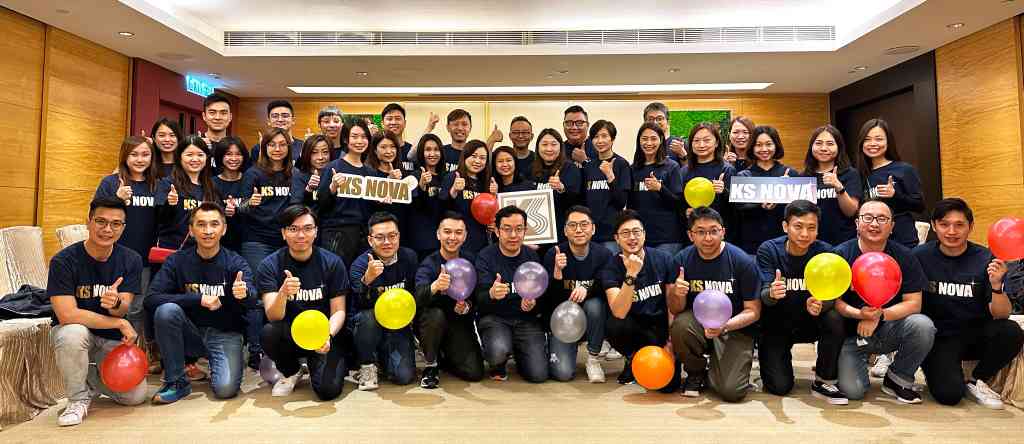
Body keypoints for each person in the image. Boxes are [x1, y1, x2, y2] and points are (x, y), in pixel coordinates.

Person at [916, 198, 1024, 409]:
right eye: (945, 224)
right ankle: (939, 370)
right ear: (934, 226)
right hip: (939, 337)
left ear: (970, 226)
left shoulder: (986, 258)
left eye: (959, 225)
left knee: (1011, 330)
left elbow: (1001, 314)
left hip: (975, 333)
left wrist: (996, 286)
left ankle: (976, 380)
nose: (952, 231)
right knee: (949, 395)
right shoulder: (919, 257)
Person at [47, 197, 147, 426]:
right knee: (73, 333)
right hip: (75, 334)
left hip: (109, 338)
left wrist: (115, 304)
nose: (107, 229)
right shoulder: (63, 261)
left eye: (116, 224)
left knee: (134, 396)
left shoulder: (131, 259)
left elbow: (122, 309)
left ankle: (90, 381)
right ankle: (77, 399)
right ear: (88, 221)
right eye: (101, 221)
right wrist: (120, 323)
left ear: (123, 227)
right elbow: (67, 315)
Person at [146, 202, 256, 404]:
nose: (208, 231)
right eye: (201, 224)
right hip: (191, 335)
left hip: (225, 334)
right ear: (191, 230)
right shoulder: (177, 261)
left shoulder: (236, 262)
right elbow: (151, 298)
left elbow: (253, 300)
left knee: (225, 390)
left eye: (214, 224)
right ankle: (176, 381)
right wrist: (199, 299)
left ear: (224, 229)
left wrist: (244, 294)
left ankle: (218, 362)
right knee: (166, 311)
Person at [834, 200, 935, 404]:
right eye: (868, 218)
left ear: (892, 226)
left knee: (922, 325)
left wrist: (878, 315)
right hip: (851, 334)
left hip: (890, 329)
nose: (874, 224)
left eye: (882, 219)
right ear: (857, 223)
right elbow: (834, 302)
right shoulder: (841, 255)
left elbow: (914, 303)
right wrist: (860, 314)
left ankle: (898, 378)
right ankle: (852, 363)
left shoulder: (905, 256)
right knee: (853, 392)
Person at [756, 200, 849, 404]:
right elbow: (763, 296)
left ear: (818, 230)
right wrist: (772, 293)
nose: (805, 234)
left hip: (811, 321)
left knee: (834, 317)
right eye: (798, 226)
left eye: (811, 228)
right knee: (779, 387)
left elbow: (834, 297)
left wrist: (821, 305)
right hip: (778, 324)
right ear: (785, 226)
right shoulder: (768, 250)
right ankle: (771, 367)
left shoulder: (827, 254)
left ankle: (824, 379)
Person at [258, 205, 349, 400]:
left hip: (322, 335)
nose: (301, 235)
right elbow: (273, 316)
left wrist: (327, 336)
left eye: (307, 228)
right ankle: (292, 370)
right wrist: (283, 293)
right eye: (293, 229)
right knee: (269, 332)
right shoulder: (270, 265)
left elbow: (339, 310)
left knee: (327, 392)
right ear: (283, 233)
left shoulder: (332, 262)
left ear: (316, 232)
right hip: (289, 333)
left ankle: (320, 364)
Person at [671, 207, 761, 402]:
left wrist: (724, 326)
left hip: (734, 327)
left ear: (723, 232)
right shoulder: (681, 260)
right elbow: (675, 309)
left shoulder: (742, 262)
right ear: (690, 235)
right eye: (700, 232)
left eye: (713, 231)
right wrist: (677, 294)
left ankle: (718, 368)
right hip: (698, 324)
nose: (708, 238)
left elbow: (753, 311)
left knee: (732, 392)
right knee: (680, 325)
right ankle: (696, 372)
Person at [600, 209, 679, 385]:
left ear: (644, 234)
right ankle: (632, 358)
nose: (632, 238)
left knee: (668, 385)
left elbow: (672, 306)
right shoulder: (611, 267)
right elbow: (619, 312)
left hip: (660, 328)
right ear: (616, 238)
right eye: (625, 233)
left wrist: (670, 342)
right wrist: (631, 274)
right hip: (633, 328)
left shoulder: (664, 259)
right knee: (615, 325)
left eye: (636, 232)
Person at [413, 211, 486, 388]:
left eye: (458, 232)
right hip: (431, 323)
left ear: (465, 236)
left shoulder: (472, 261)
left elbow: (478, 296)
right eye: (447, 232)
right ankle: (431, 365)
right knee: (435, 316)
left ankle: (445, 355)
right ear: (438, 234)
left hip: (458, 323)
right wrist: (435, 286)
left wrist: (466, 306)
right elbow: (417, 298)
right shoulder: (428, 263)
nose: (452, 237)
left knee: (474, 373)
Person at [475, 206, 548, 382]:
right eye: (507, 229)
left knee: (538, 375)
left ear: (525, 231)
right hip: (495, 319)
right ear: (497, 231)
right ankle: (500, 360)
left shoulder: (532, 257)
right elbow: (478, 299)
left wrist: (532, 303)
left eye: (519, 229)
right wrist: (491, 294)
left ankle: (520, 352)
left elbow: (543, 294)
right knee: (497, 352)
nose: (513, 235)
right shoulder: (485, 256)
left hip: (526, 320)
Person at [347, 212, 419, 390]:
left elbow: (414, 295)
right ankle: (367, 364)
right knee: (368, 317)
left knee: (404, 377)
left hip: (397, 324)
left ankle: (384, 358)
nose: (387, 242)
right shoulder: (360, 265)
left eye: (392, 236)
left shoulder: (409, 257)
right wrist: (367, 280)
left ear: (399, 236)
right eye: (380, 237)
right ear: (370, 240)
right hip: (369, 324)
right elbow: (358, 304)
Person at [543, 206, 614, 382]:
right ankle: (553, 345)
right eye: (573, 225)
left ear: (593, 228)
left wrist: (587, 289)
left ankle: (593, 358)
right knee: (562, 373)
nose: (579, 230)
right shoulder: (554, 254)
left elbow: (607, 288)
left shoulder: (604, 254)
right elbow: (549, 301)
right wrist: (557, 273)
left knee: (595, 304)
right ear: (565, 230)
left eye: (584, 224)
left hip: (592, 318)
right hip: (563, 319)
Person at [856, 118, 924, 249]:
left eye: (879, 139)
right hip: (870, 241)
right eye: (867, 139)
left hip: (902, 239)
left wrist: (895, 195)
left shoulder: (904, 169)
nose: (873, 143)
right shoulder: (859, 173)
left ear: (888, 142)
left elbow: (919, 206)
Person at [316, 120, 374, 266]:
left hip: (363, 235)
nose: (359, 141)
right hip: (337, 234)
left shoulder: (371, 172)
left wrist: (382, 200)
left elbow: (371, 207)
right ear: (346, 140)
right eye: (354, 136)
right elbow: (320, 204)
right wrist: (332, 188)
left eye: (364, 136)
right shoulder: (333, 167)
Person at [733, 125, 796, 254]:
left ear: (776, 145)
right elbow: (737, 208)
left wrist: (786, 190)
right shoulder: (743, 176)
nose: (764, 149)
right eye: (758, 145)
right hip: (752, 243)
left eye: (769, 144)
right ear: (752, 147)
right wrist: (759, 204)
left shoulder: (790, 174)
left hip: (785, 242)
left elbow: (801, 208)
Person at [154, 135, 218, 251]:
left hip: (203, 251)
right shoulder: (167, 184)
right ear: (179, 157)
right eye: (189, 155)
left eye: (200, 155)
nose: (195, 159)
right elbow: (159, 218)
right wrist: (169, 204)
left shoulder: (211, 186)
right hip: (173, 251)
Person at [629, 123, 685, 255]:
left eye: (653, 138)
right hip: (641, 237)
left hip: (668, 238)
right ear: (639, 141)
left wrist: (660, 188)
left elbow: (679, 203)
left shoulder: (672, 167)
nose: (649, 143)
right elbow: (631, 205)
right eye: (644, 139)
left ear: (661, 140)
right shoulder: (633, 169)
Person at [802, 125, 862, 246]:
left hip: (843, 241)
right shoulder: (803, 177)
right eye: (818, 143)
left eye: (830, 144)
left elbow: (851, 211)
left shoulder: (850, 174)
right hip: (811, 241)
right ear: (811, 146)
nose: (824, 148)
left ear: (839, 147)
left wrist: (839, 187)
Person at [683, 122, 737, 243]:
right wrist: (685, 211)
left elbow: (737, 208)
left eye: (707, 140)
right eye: (696, 141)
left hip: (721, 236)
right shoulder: (684, 171)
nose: (701, 145)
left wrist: (724, 191)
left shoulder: (727, 170)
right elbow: (678, 203)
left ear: (716, 142)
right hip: (694, 236)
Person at [583, 120, 631, 254]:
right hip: (590, 233)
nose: (600, 141)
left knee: (611, 266)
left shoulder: (621, 164)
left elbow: (621, 202)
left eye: (604, 136)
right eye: (596, 137)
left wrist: (610, 176)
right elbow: (584, 200)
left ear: (612, 139)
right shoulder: (589, 166)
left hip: (611, 234)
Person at [529, 129, 582, 242]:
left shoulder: (570, 168)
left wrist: (561, 188)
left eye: (553, 144)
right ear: (538, 147)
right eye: (544, 144)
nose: (549, 149)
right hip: (536, 231)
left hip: (562, 233)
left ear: (560, 147)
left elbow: (576, 200)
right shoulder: (531, 169)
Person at [441, 140, 493, 253]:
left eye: (482, 158)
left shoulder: (484, 182)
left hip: (481, 243)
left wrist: (493, 195)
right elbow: (441, 209)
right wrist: (453, 191)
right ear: (465, 156)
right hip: (457, 243)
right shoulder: (453, 177)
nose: (477, 161)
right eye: (473, 156)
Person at [408, 134, 449, 260]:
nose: (432, 154)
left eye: (436, 149)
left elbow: (445, 207)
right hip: (421, 241)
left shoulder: (445, 177)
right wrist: (421, 187)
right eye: (428, 149)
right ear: (421, 152)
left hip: (442, 240)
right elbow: (414, 207)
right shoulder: (414, 176)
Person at [212, 137, 251, 254]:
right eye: (228, 154)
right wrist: (224, 211)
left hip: (248, 242)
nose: (234, 158)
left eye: (238, 154)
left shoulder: (251, 180)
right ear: (220, 156)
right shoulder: (211, 183)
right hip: (219, 243)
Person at [293, 134, 332, 209]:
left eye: (325, 152)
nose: (320, 157)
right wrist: (309, 190)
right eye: (314, 152)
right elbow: (296, 208)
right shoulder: (299, 176)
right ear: (307, 154)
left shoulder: (335, 176)